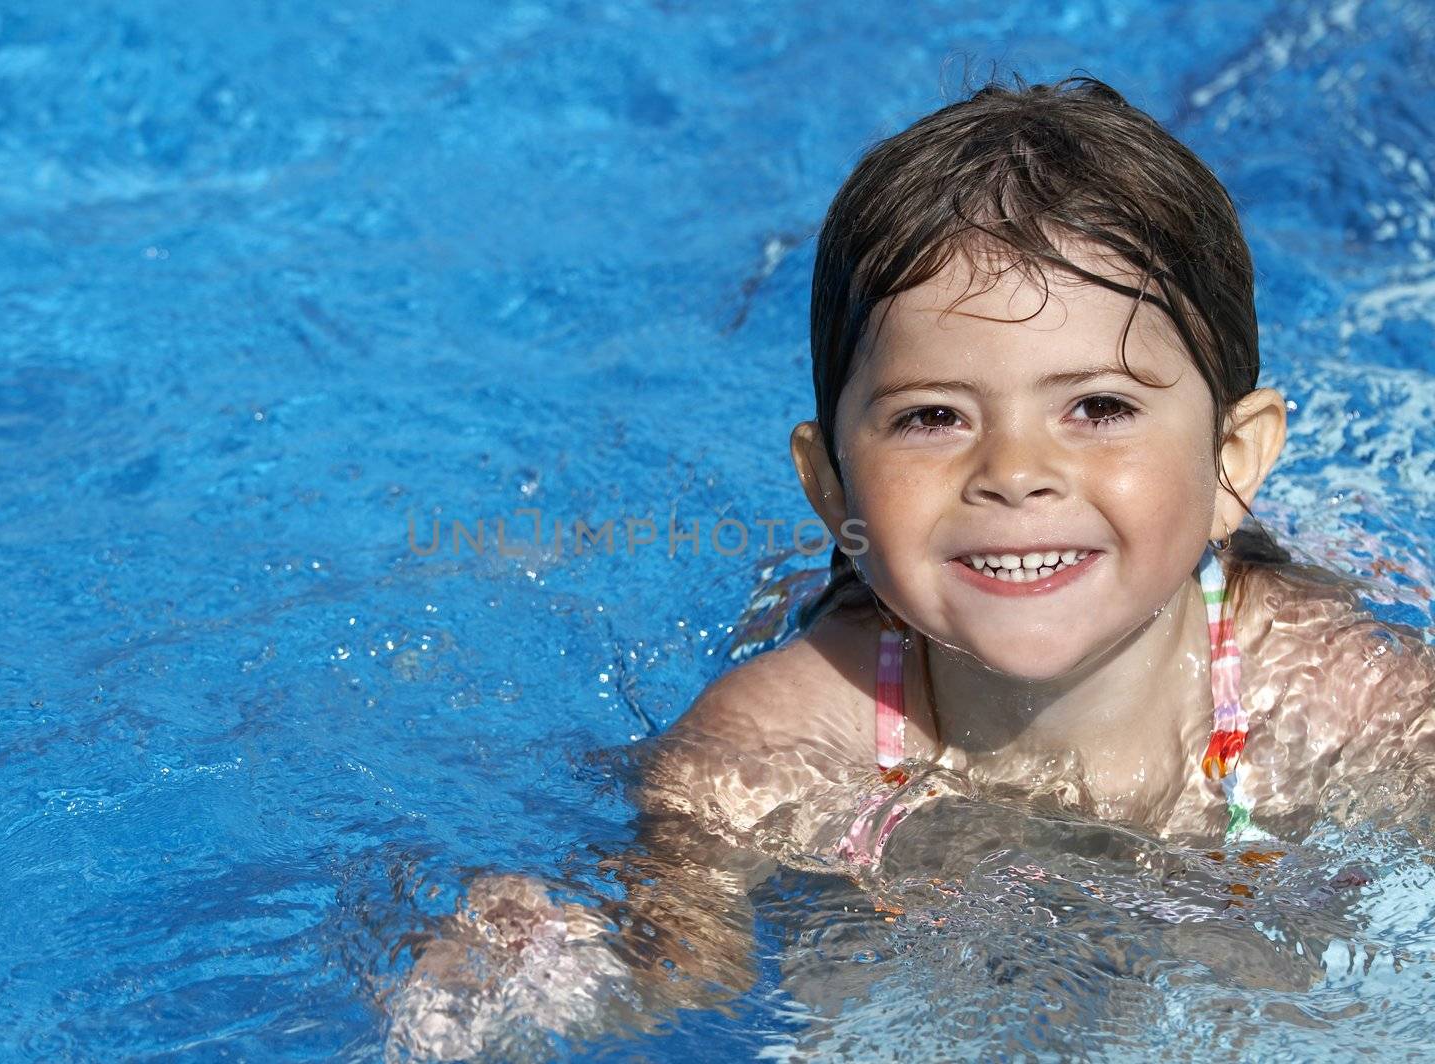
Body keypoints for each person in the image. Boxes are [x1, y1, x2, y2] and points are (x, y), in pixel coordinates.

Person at [387, 73, 1435, 1059]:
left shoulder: (1336, 692)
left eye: (1098, 407)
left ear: (1229, 463)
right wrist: (553, 963)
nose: (1016, 471)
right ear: (833, 485)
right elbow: (686, 962)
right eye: (932, 416)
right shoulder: (774, 739)